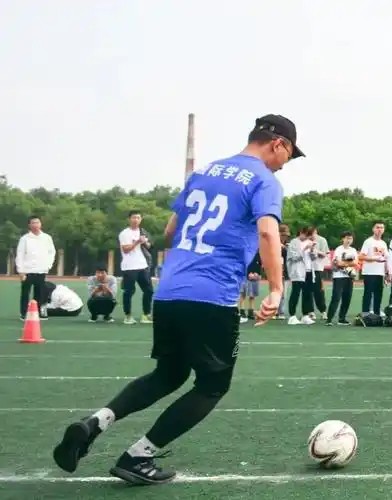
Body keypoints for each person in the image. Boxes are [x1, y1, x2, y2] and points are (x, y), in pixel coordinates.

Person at [52, 114, 302, 485]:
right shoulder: (264, 180)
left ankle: (93, 424)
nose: (285, 164)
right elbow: (268, 233)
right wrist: (277, 288)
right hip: (212, 295)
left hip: (170, 290)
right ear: (278, 144)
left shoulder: (204, 173)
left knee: (168, 374)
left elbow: (171, 231)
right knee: (212, 385)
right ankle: (139, 455)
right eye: (289, 155)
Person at [16, 215, 56, 320]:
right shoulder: (25, 239)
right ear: (29, 225)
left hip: (41, 269)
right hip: (27, 270)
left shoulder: (47, 238)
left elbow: (52, 252)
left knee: (39, 292)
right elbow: (20, 254)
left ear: (41, 224)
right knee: (25, 293)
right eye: (33, 223)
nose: (35, 225)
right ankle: (24, 313)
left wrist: (48, 265)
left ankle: (37, 312)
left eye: (37, 222)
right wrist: (21, 271)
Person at [118, 210, 154, 325]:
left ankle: (146, 314)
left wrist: (144, 242)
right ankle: (128, 316)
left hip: (142, 265)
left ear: (141, 219)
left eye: (138, 218)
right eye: (134, 218)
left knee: (149, 290)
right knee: (129, 292)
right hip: (129, 266)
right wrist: (137, 241)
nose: (136, 220)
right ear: (129, 219)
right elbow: (125, 249)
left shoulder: (143, 232)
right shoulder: (124, 233)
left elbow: (149, 246)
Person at [326, 231, 358, 326]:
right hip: (339, 276)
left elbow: (355, 262)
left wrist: (344, 264)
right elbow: (337, 263)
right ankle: (329, 319)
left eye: (350, 238)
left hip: (349, 276)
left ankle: (342, 318)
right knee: (336, 297)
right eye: (347, 238)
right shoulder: (338, 249)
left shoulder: (353, 250)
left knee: (347, 298)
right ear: (342, 239)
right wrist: (347, 263)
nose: (349, 240)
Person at [359, 221, 389, 316]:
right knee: (368, 293)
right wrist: (374, 259)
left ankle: (377, 313)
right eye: (377, 227)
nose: (379, 229)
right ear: (373, 229)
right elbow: (361, 256)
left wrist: (387, 272)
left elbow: (386, 258)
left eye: (381, 228)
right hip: (369, 272)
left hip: (380, 273)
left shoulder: (383, 243)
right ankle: (365, 313)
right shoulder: (368, 241)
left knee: (378, 294)